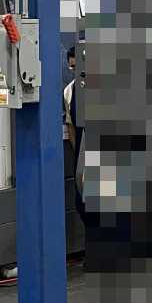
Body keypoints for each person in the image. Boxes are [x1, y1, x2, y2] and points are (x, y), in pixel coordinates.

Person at [63, 46, 85, 226]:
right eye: (72, 67)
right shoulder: (69, 91)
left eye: (78, 67)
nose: (75, 71)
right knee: (82, 205)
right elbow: (70, 126)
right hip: (83, 158)